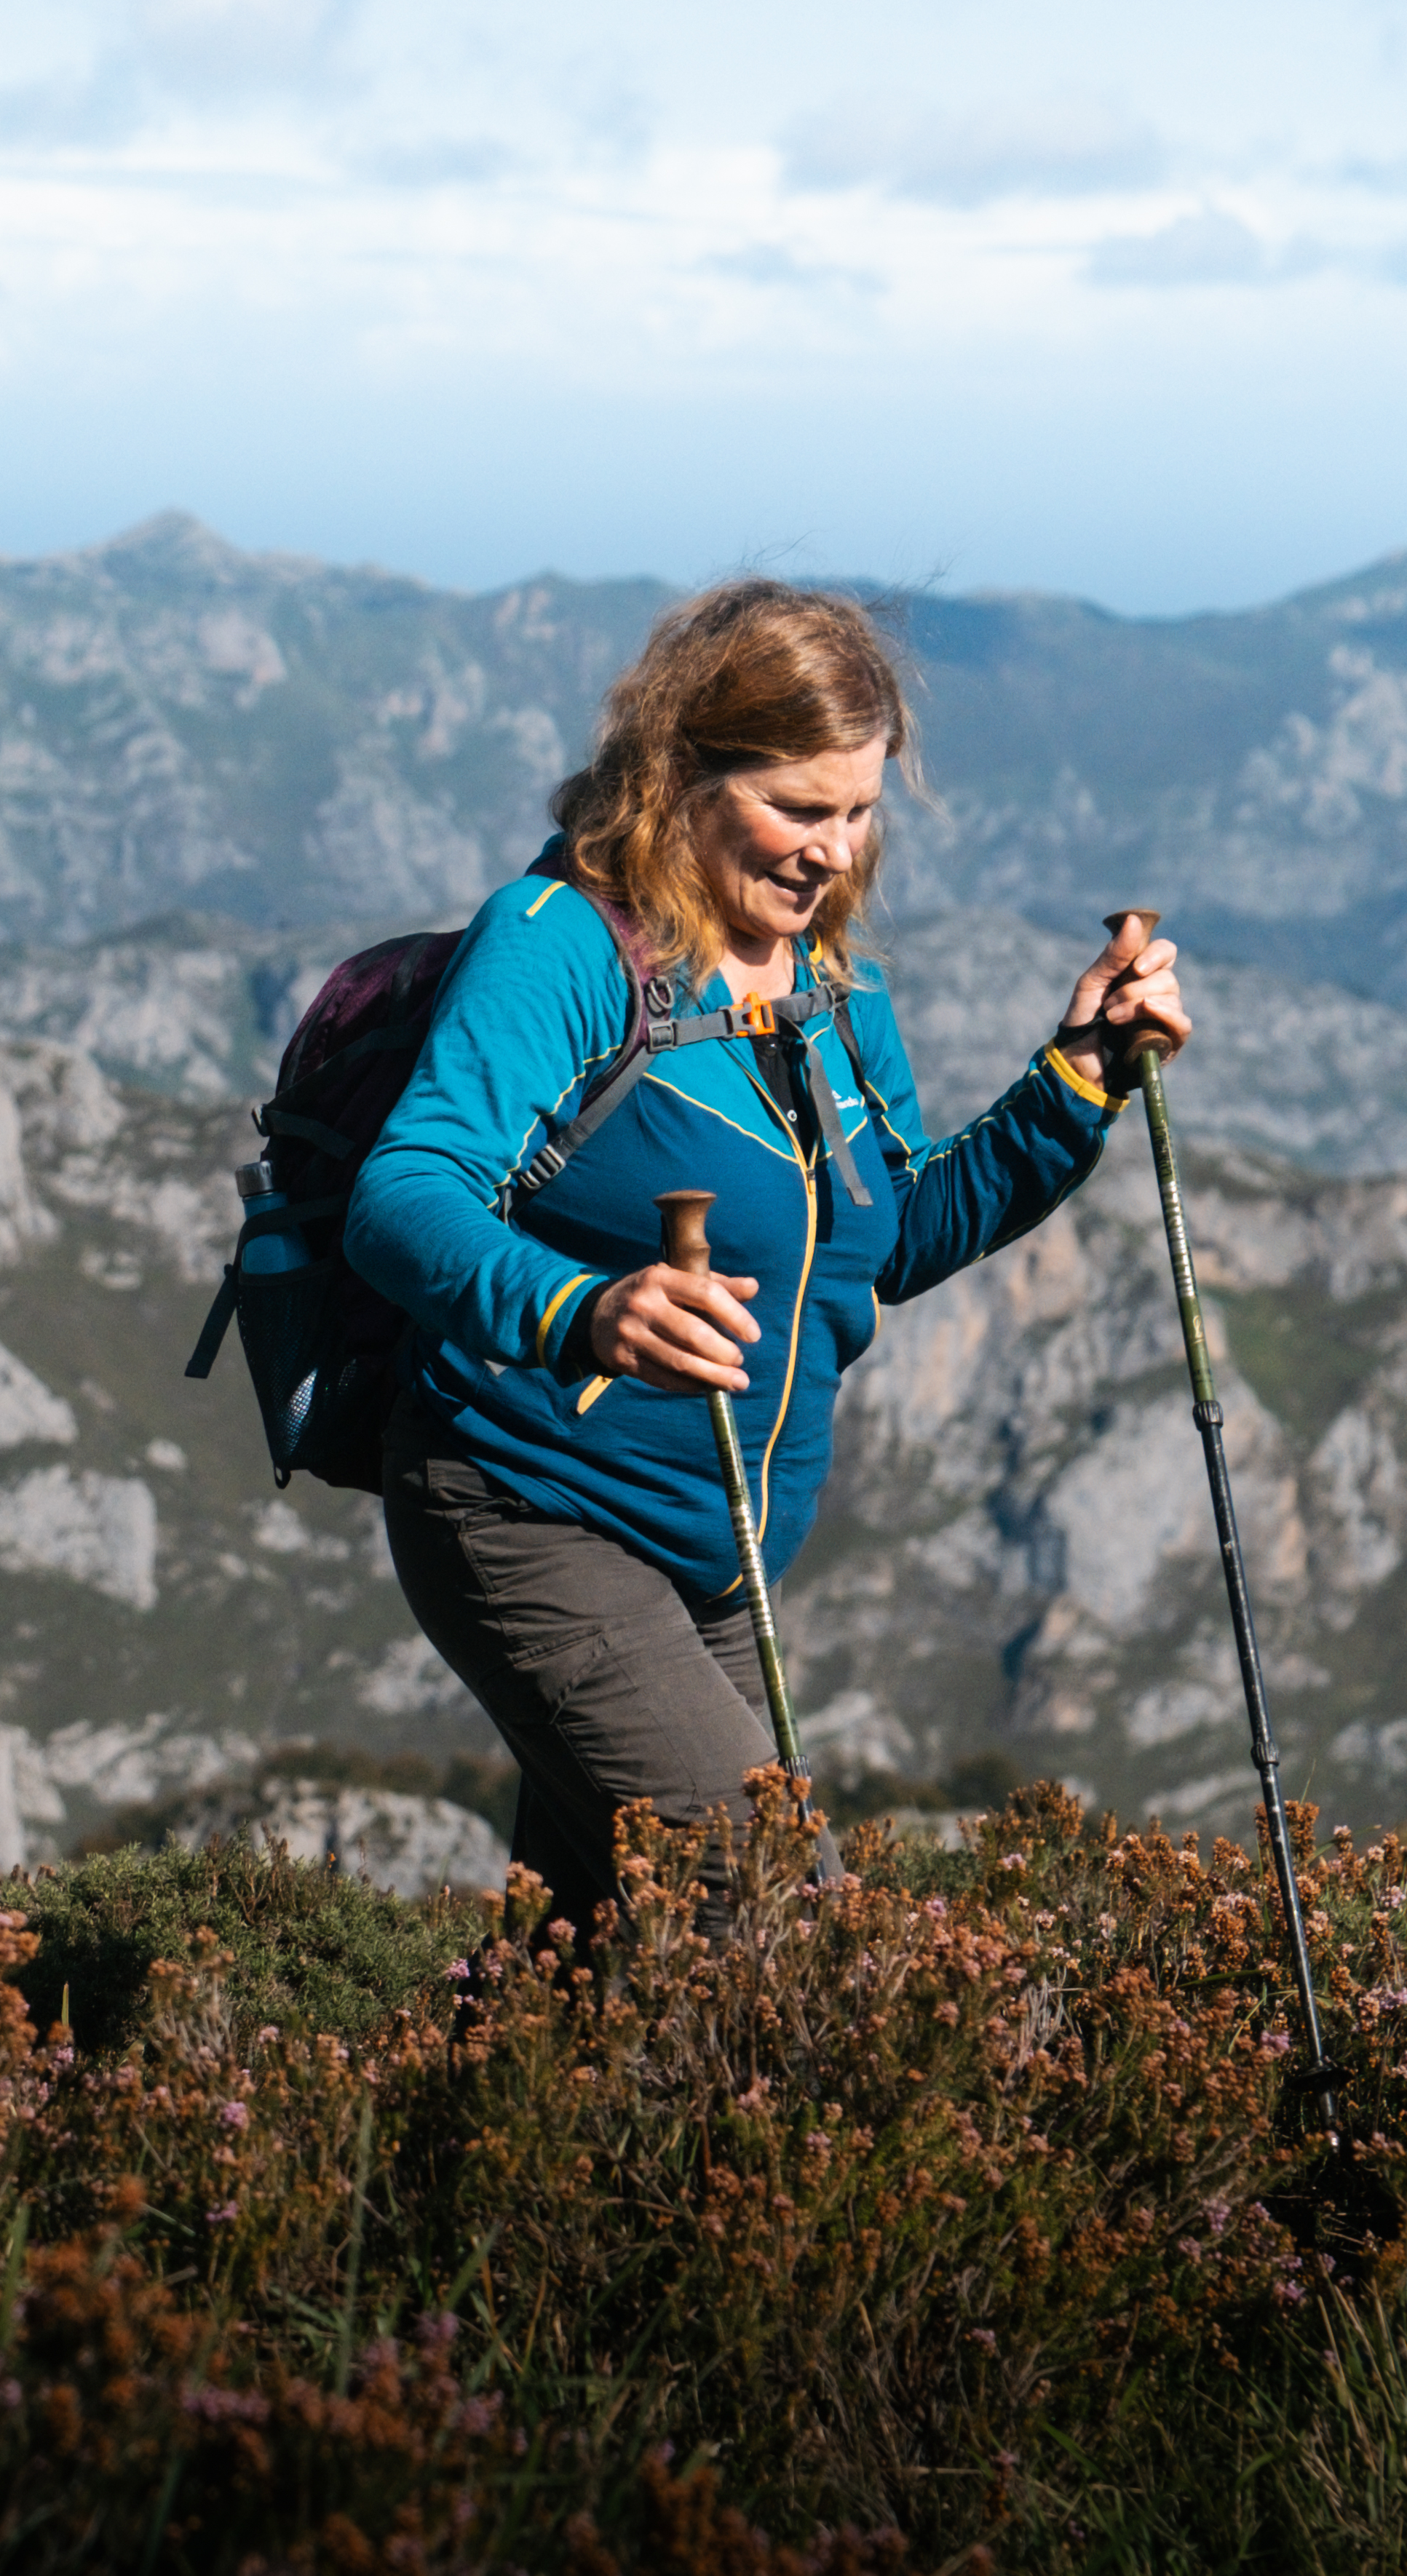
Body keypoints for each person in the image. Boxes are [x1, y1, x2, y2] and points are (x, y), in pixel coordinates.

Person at [345, 580, 1189, 1934]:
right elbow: (404, 1191)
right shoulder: (561, 943)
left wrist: (1076, 1080)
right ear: (679, 773)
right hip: (528, 1508)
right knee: (782, 1918)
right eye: (798, 808)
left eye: (858, 812)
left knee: (592, 1966)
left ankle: (462, 2142)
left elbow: (894, 1232)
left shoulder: (832, 980)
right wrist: (579, 1307)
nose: (834, 853)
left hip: (720, 1550)